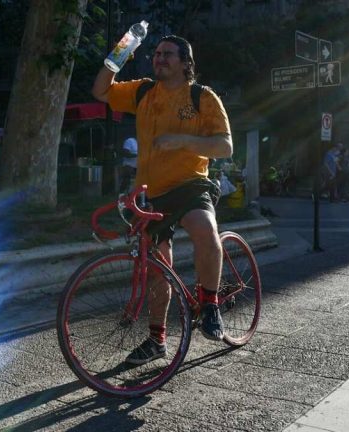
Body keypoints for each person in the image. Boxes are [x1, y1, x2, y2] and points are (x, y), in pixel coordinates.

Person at [92, 34, 232, 364]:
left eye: (168, 54)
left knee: (204, 228)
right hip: (150, 193)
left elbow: (225, 147)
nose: (159, 58)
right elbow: (101, 91)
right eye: (156, 54)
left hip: (190, 185)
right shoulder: (143, 91)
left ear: (186, 63)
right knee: (157, 269)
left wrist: (182, 140)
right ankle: (157, 340)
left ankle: (210, 304)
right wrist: (120, 53)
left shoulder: (202, 96)